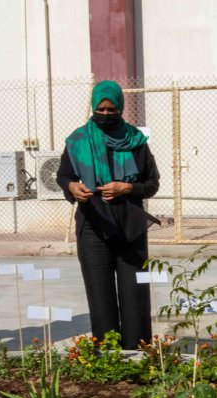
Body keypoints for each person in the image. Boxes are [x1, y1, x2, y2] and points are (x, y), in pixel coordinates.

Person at [57, 80, 160, 350]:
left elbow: (152, 183)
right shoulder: (78, 139)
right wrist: (72, 187)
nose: (105, 114)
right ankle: (107, 356)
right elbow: (64, 175)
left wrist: (128, 187)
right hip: (93, 225)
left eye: (111, 109)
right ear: (93, 107)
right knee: (99, 293)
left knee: (134, 292)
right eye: (100, 109)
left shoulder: (136, 141)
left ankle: (138, 352)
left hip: (130, 227)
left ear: (120, 108)